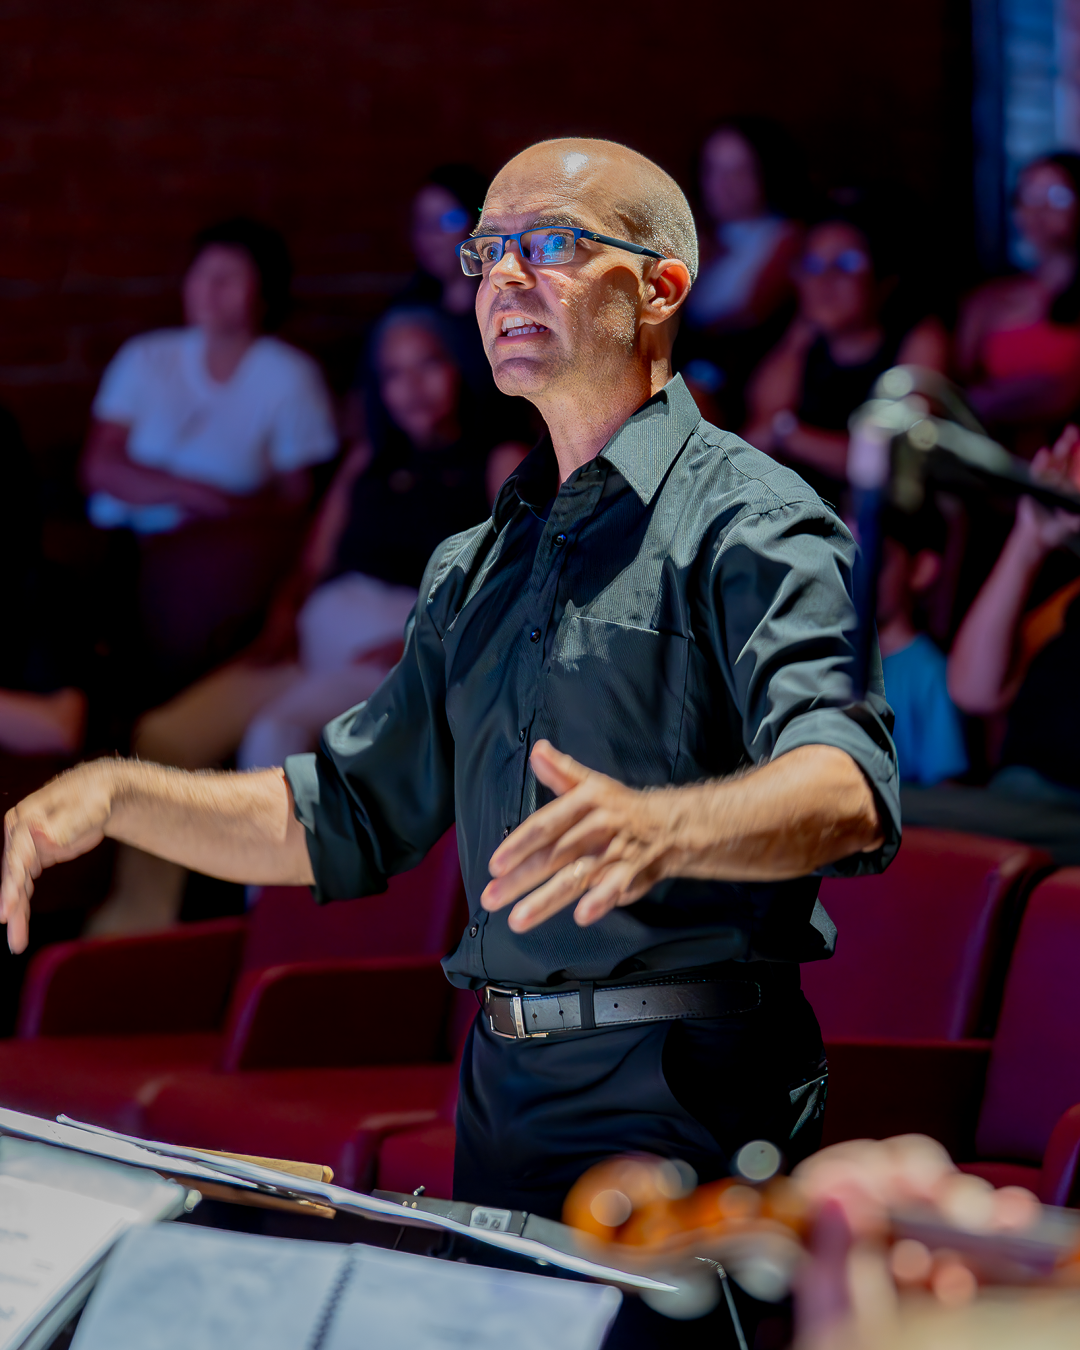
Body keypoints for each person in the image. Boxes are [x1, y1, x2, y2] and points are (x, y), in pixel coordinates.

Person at [2, 139, 896, 1347]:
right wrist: (118, 794)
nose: (504, 277)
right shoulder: (478, 561)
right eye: (488, 251)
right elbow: (339, 813)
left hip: (687, 1088)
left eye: (550, 245)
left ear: (662, 288)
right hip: (503, 1089)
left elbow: (849, 785)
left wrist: (666, 824)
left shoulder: (756, 520)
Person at [88, 307, 527, 936]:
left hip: (398, 654)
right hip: (312, 641)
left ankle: (269, 928)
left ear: (461, 365)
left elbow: (516, 580)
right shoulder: (366, 459)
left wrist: (424, 639)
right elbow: (312, 562)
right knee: (164, 737)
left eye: (429, 363)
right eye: (393, 373)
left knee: (275, 733)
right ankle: (138, 923)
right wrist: (283, 615)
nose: (412, 387)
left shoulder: (498, 458)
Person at [81, 216, 338, 690]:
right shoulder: (146, 357)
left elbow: (297, 499)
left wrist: (226, 520)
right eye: (201, 274)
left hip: (216, 558)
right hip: (118, 545)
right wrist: (196, 494)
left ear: (264, 293)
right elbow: (100, 467)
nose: (209, 289)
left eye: (228, 278)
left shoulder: (289, 376)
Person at [744, 208, 948, 505]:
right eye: (813, 266)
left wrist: (791, 436)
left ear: (883, 278)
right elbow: (759, 432)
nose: (825, 280)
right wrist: (799, 334)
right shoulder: (800, 342)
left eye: (847, 264)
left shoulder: (921, 339)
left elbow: (893, 459)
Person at [679, 118, 805, 427]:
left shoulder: (787, 238)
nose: (724, 184)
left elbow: (753, 316)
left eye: (739, 171)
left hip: (740, 373)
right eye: (713, 170)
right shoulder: (694, 236)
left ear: (766, 172)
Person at [956, 153, 1080, 456]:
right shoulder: (989, 299)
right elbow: (957, 390)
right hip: (996, 460)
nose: (1038, 210)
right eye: (1027, 197)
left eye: (1056, 196)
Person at [878, 504, 968, 786]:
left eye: (878, 560)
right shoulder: (830, 658)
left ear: (920, 570)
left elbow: (946, 789)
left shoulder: (931, 672)